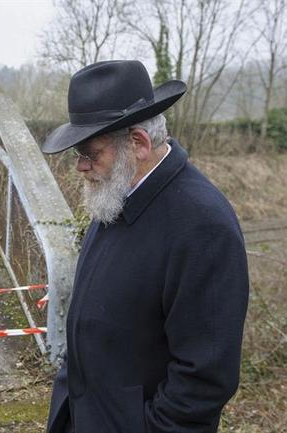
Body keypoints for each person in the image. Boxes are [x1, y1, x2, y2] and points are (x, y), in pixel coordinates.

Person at [41, 60, 249, 433]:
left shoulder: (202, 225)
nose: (81, 168)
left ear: (137, 143)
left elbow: (204, 379)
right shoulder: (117, 193)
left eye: (90, 153)